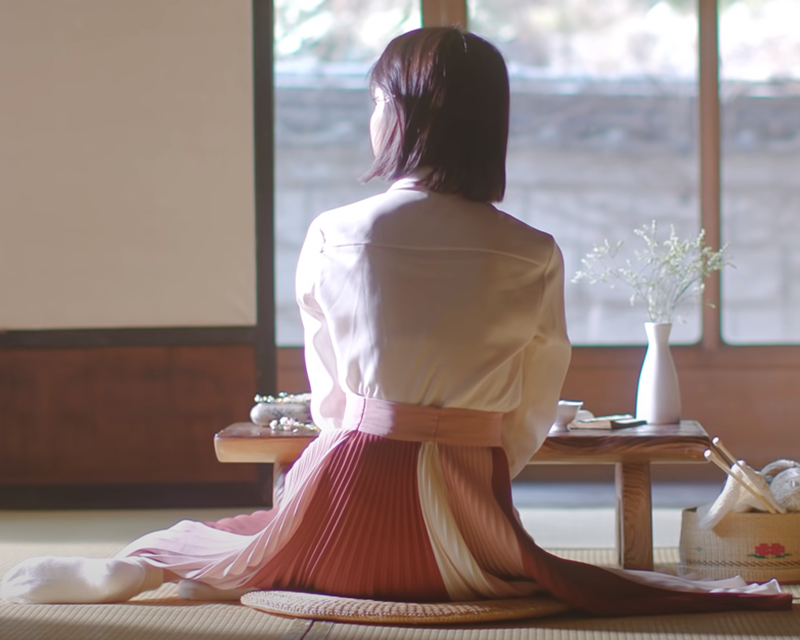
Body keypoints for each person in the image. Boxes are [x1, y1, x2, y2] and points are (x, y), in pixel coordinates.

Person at [1, 27, 792, 615]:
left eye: (377, 101)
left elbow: (333, 397)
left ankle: (149, 570)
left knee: (244, 539)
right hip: (474, 543)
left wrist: (361, 443)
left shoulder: (337, 231)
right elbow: (534, 399)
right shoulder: (532, 251)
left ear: (403, 113)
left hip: (347, 520)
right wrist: (477, 466)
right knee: (573, 579)